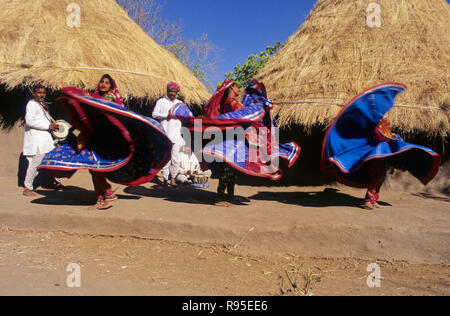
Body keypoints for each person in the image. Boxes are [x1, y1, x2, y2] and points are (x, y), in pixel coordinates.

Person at [203, 80, 244, 206]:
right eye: (238, 87)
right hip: (230, 140)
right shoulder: (232, 102)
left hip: (230, 138)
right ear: (232, 87)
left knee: (232, 169)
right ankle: (220, 198)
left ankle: (230, 196)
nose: (239, 90)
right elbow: (243, 114)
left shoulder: (226, 103)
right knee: (227, 170)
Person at [85, 74, 123, 209]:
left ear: (111, 87)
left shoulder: (109, 98)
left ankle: (108, 194)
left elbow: (101, 109)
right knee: (92, 167)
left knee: (96, 166)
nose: (103, 84)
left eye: (107, 83)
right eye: (102, 81)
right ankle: (100, 199)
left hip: (106, 137)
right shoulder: (96, 97)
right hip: (95, 135)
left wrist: (89, 100)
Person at [22, 85, 60, 197]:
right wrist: (48, 126)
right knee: (36, 164)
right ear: (34, 93)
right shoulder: (32, 104)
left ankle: (57, 183)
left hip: (45, 140)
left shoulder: (41, 105)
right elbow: (29, 121)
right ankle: (27, 188)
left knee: (52, 160)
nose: (42, 95)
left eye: (43, 92)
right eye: (39, 93)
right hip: (37, 140)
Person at [152, 82, 184, 186]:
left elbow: (185, 117)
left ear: (177, 93)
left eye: (174, 92)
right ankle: (165, 179)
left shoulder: (180, 104)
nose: (172, 93)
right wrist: (167, 116)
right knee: (166, 158)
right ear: (167, 91)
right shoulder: (161, 102)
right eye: (170, 91)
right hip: (165, 134)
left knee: (175, 158)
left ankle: (173, 178)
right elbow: (154, 114)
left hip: (176, 135)